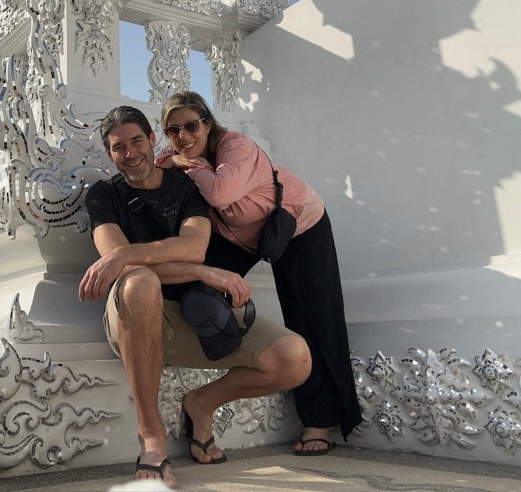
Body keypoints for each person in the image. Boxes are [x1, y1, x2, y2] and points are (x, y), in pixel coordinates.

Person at [79, 105, 311, 488]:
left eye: (136, 141)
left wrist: (132, 255)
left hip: (193, 313)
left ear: (152, 139)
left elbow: (193, 247)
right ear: (109, 153)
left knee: (294, 358)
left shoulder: (184, 188)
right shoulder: (104, 195)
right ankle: (151, 438)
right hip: (134, 317)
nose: (130, 153)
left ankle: (201, 403)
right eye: (119, 147)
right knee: (140, 282)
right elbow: (119, 265)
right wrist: (198, 270)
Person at [156, 91, 362, 457]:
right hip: (240, 236)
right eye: (173, 130)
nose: (182, 136)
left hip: (298, 225)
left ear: (207, 123)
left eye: (190, 126)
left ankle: (319, 421)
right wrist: (175, 161)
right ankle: (203, 378)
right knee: (189, 282)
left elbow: (220, 193)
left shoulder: (236, 146)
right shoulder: (180, 156)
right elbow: (157, 168)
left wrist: (191, 166)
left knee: (312, 318)